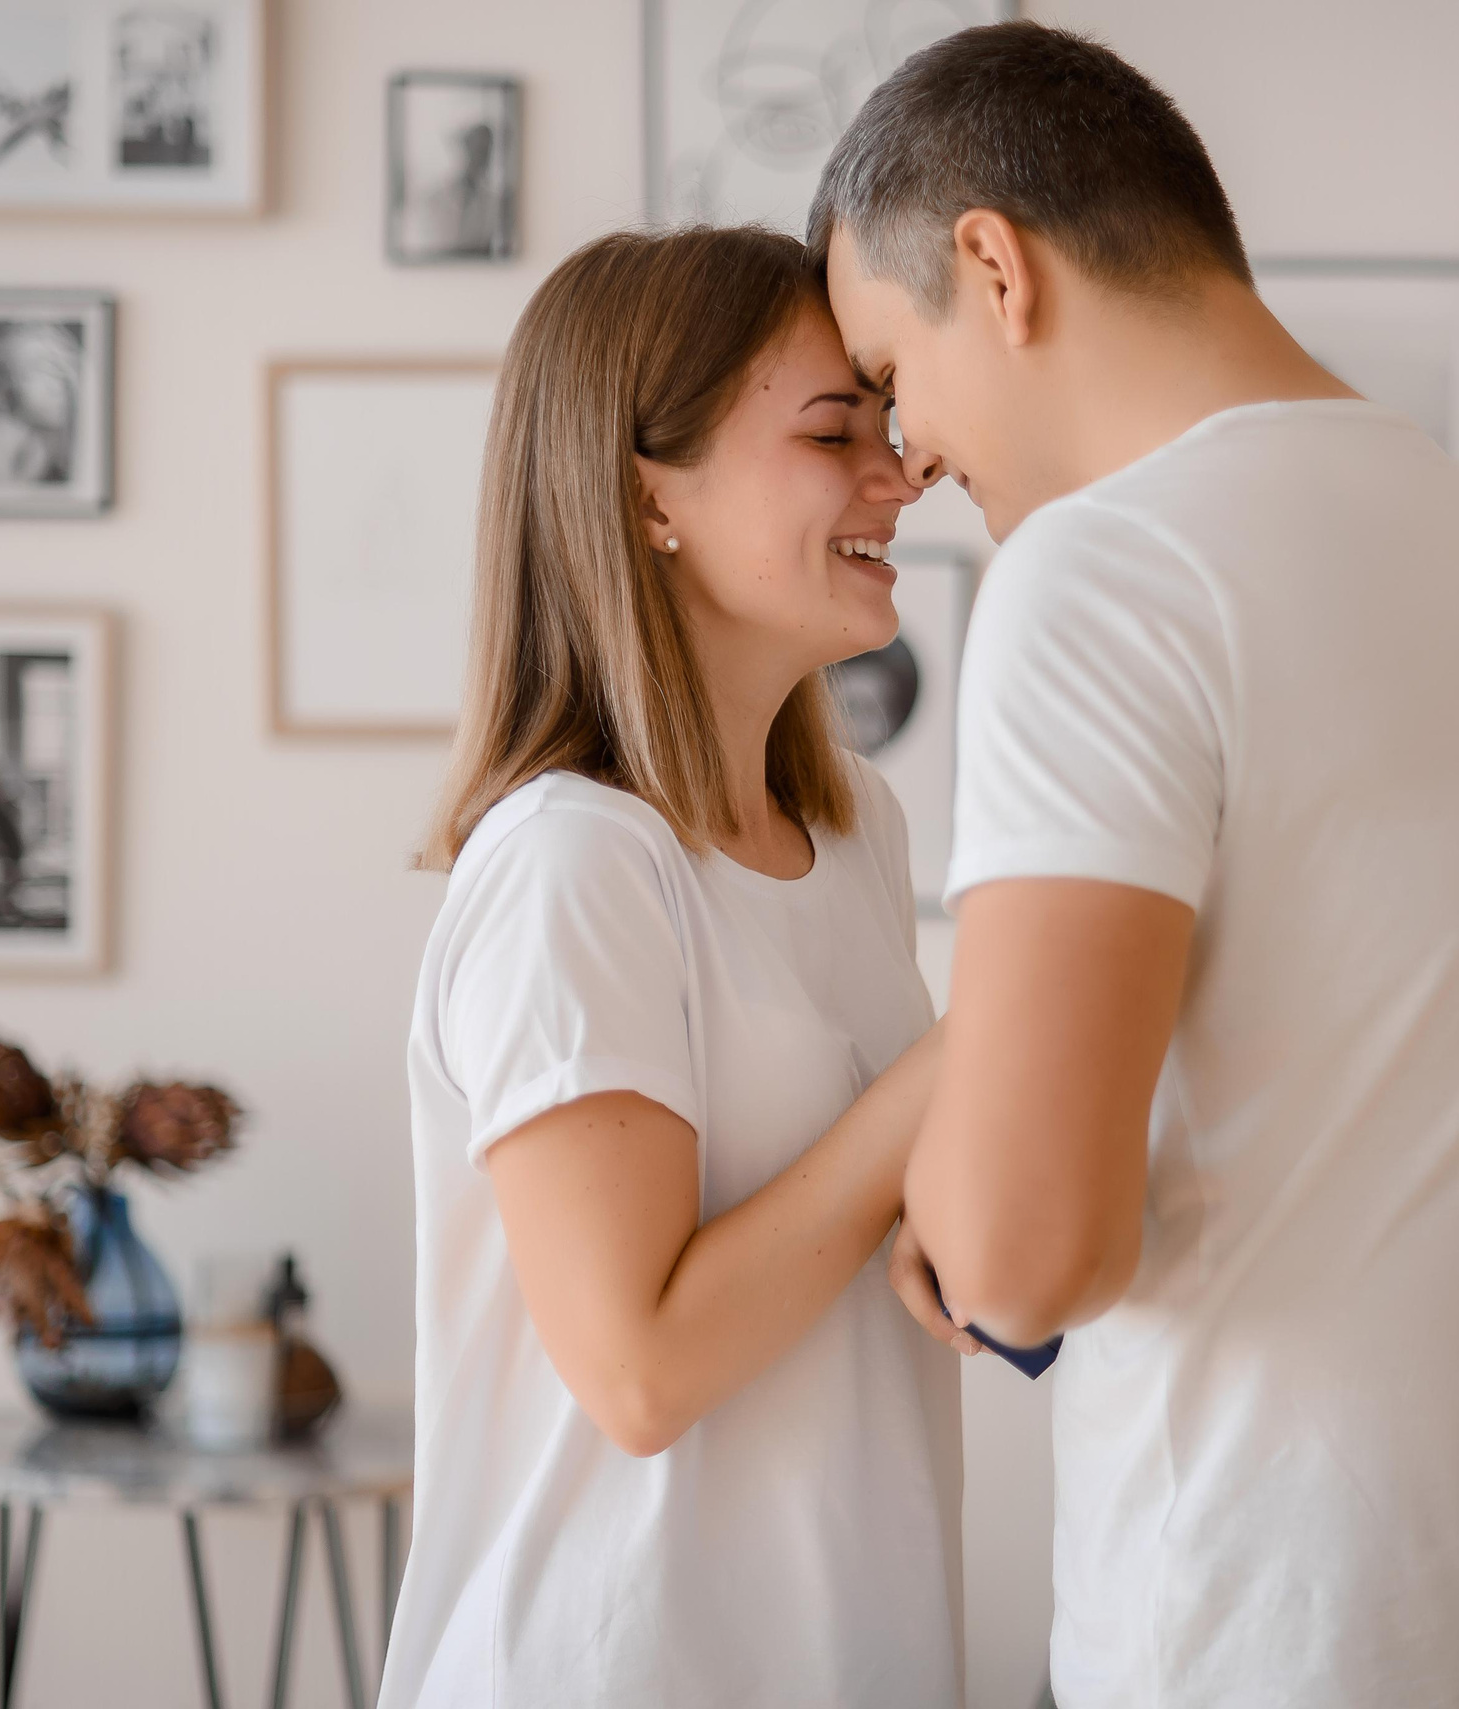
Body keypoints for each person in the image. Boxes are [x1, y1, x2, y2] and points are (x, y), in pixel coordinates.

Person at [812, 22, 1459, 1707]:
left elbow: (1022, 1255)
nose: (908, 460)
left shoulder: (1103, 575)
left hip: (1280, 1641)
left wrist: (951, 1190)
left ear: (993, 265)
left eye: (893, 373)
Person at [379, 226, 968, 1709]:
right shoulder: (572, 862)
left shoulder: (859, 838)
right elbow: (637, 1368)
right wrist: (974, 1051)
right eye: (835, 432)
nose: (897, 480)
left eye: (887, 430)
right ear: (650, 495)